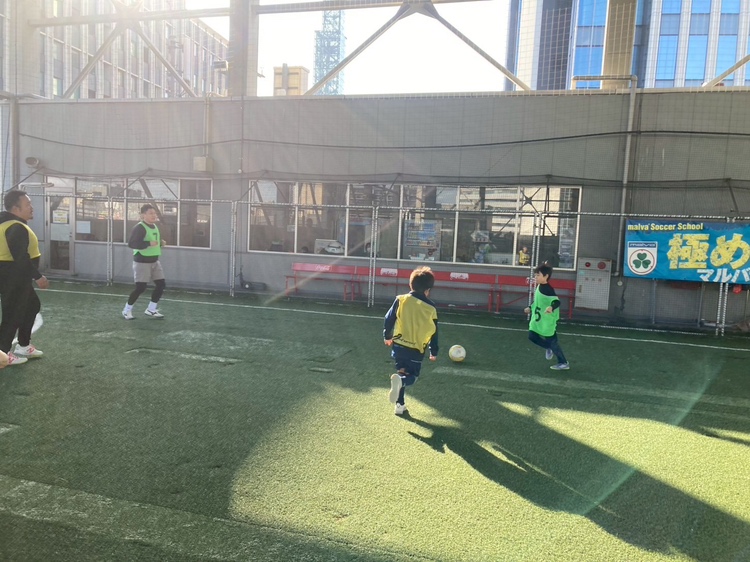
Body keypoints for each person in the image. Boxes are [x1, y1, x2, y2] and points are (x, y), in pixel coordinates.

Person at [0, 190, 49, 365]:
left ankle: (23, 345)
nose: (31, 207)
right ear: (16, 208)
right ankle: (3, 353)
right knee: (12, 314)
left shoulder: (12, 223)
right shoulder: (15, 227)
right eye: (27, 204)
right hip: (13, 276)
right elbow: (20, 256)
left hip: (16, 276)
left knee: (32, 306)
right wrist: (38, 276)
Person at [383, 266, 439, 415]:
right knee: (411, 377)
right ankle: (401, 385)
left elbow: (388, 318)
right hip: (416, 349)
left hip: (399, 346)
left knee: (401, 373)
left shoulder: (401, 300)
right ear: (428, 290)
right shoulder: (431, 308)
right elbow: (434, 331)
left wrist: (387, 336)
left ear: (410, 284)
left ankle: (399, 406)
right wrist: (433, 351)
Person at [122, 204, 166, 319]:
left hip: (155, 261)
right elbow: (132, 243)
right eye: (151, 213)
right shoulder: (139, 227)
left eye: (154, 213)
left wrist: (160, 243)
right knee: (140, 288)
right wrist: (148, 243)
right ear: (143, 215)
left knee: (161, 284)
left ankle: (151, 309)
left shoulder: (155, 226)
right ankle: (127, 310)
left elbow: (154, 241)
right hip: (142, 261)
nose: (154, 215)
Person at [524, 263, 569, 370]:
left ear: (546, 276)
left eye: (538, 275)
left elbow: (556, 302)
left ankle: (563, 363)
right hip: (538, 320)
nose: (535, 277)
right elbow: (538, 301)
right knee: (532, 336)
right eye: (535, 275)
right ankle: (548, 347)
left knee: (553, 343)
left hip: (547, 321)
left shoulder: (548, 289)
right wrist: (530, 307)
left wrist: (551, 307)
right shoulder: (539, 287)